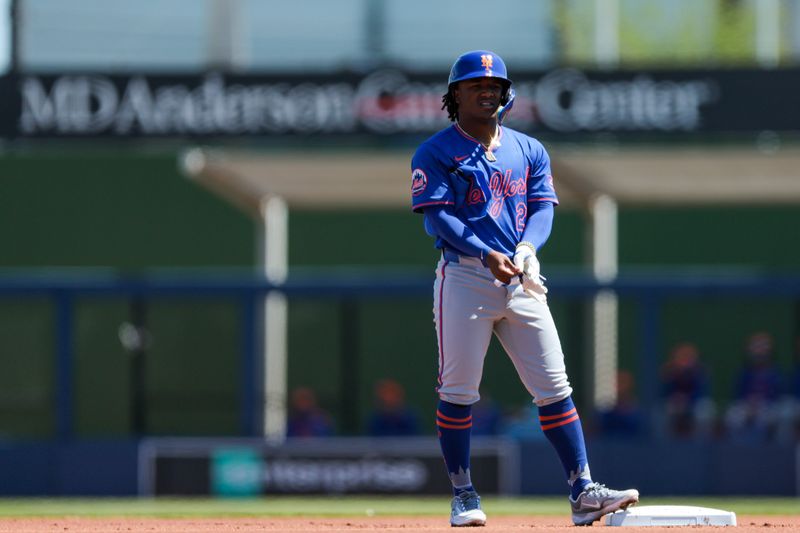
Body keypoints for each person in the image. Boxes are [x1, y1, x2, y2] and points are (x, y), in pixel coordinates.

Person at [410, 50, 639, 527]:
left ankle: (582, 491)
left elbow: (542, 208)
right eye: (475, 84)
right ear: (455, 95)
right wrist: (482, 251)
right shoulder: (435, 151)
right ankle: (464, 494)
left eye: (494, 83)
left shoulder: (529, 148)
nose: (487, 89)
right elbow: (439, 215)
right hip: (465, 276)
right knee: (458, 389)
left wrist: (529, 248)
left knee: (555, 387)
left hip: (520, 277)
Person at [723, 331, 784, 442]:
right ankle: (736, 447)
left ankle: (776, 448)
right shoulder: (744, 372)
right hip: (746, 406)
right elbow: (737, 395)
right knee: (733, 414)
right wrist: (749, 404)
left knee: (782, 413)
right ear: (750, 350)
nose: (760, 350)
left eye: (763, 346)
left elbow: (778, 395)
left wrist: (760, 403)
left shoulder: (775, 373)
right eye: (756, 346)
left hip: (767, 406)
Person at [659, 342, 716, 439]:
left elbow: (702, 393)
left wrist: (688, 400)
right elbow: (663, 393)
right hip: (674, 405)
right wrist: (675, 398)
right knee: (659, 411)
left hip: (694, 404)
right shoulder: (668, 372)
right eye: (681, 357)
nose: (684, 360)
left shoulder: (700, 372)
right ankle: (663, 443)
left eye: (688, 357)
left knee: (706, 409)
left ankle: (702, 442)